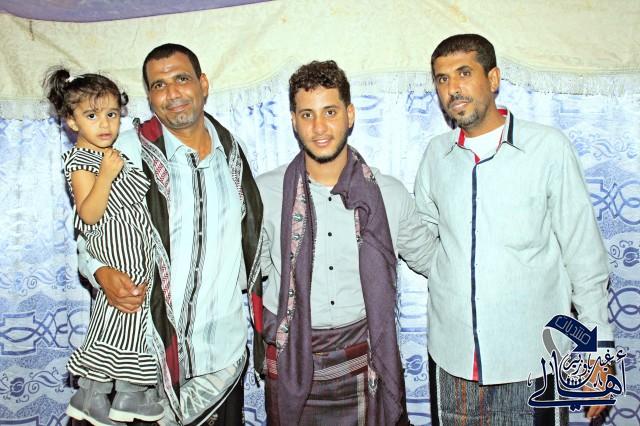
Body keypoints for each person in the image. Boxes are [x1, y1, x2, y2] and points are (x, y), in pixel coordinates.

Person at [414, 34, 614, 425]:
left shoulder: (548, 148)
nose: (453, 88)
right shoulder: (437, 155)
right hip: (453, 361)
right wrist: (448, 272)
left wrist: (597, 354)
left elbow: (584, 256)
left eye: (464, 73)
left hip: (532, 364)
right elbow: (423, 237)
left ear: (493, 78)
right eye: (442, 79)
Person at [77, 44, 264, 425]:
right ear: (149, 97)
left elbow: (252, 243)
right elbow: (89, 232)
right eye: (159, 85)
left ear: (203, 84)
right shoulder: (124, 153)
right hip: (146, 360)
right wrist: (100, 272)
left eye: (182, 79)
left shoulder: (233, 154)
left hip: (220, 357)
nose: (172, 93)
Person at [257, 60, 437, 425]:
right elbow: (242, 271)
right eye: (307, 114)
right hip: (290, 362)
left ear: (350, 115)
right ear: (293, 121)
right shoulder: (263, 193)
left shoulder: (388, 194)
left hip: (364, 360)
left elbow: (435, 261)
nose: (319, 127)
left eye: (330, 112)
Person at [45, 68, 164, 424]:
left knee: (128, 324)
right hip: (114, 250)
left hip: (134, 250)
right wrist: (107, 176)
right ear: (71, 121)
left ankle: (122, 394)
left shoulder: (113, 154)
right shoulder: (82, 161)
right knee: (119, 321)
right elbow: (90, 214)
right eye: (92, 115)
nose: (105, 124)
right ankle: (99, 394)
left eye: (111, 114)